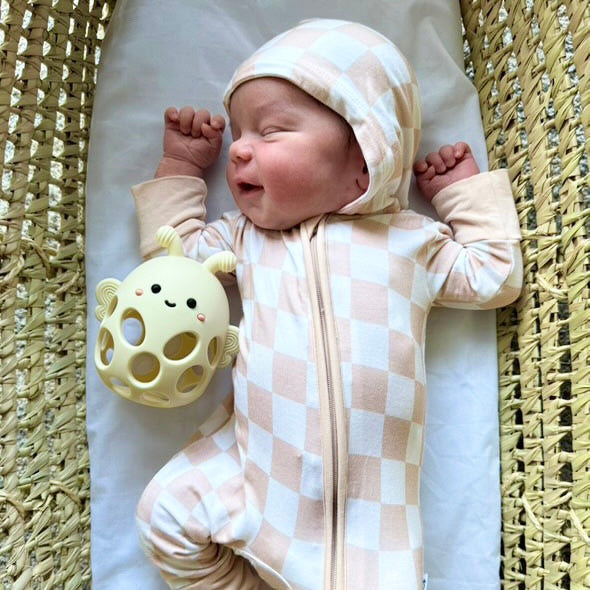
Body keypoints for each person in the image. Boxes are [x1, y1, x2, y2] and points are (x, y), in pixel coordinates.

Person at [132, 19, 522, 590]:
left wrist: (460, 194)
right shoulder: (243, 238)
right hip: (256, 479)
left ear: (366, 157)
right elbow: (173, 264)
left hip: (376, 536)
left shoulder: (409, 241)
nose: (238, 148)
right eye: (238, 132)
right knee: (163, 515)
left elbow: (495, 276)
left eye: (271, 131)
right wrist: (183, 167)